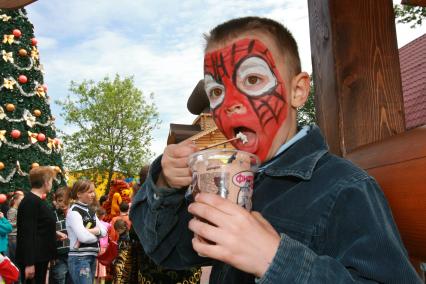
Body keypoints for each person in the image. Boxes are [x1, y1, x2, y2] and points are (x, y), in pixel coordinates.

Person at [130, 16, 422, 283]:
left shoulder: (345, 188)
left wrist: (276, 260)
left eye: (253, 79)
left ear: (298, 91)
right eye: (216, 91)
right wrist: (165, 184)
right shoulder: (230, 183)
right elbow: (165, 252)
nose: (230, 101)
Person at [16, 166, 57, 283]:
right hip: (35, 260)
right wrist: (29, 264)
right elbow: (27, 233)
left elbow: (39, 225)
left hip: (40, 258)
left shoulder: (37, 200)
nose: (51, 183)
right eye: (51, 180)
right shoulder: (31, 201)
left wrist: (54, 232)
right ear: (45, 182)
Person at [66, 180, 107, 284]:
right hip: (79, 258)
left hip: (91, 256)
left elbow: (104, 231)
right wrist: (97, 234)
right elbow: (83, 237)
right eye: (89, 192)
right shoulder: (74, 211)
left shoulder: (90, 211)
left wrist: (91, 231)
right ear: (79, 194)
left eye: (93, 191)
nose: (93, 194)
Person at [49, 187, 71, 284]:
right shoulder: (53, 215)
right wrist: (55, 233)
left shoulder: (76, 214)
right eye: (59, 201)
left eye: (64, 200)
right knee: (59, 278)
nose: (62, 203)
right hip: (59, 255)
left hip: (74, 254)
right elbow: (47, 232)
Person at [6, 192, 24, 264]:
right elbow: (10, 223)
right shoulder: (12, 211)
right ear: (15, 200)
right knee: (15, 259)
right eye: (21, 200)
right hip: (13, 236)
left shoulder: (16, 210)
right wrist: (22, 222)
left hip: (16, 236)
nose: (23, 202)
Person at [94, 207, 110, 284]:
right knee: (102, 266)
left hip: (96, 246)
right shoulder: (107, 225)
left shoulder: (94, 224)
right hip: (104, 247)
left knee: (95, 266)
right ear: (103, 215)